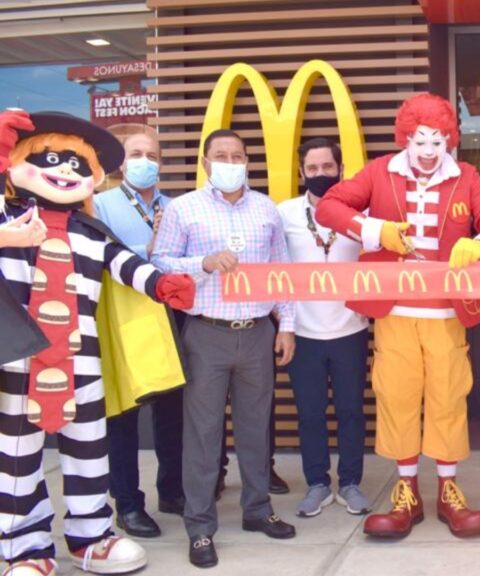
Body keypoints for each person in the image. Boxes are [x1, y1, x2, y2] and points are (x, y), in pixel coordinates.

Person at [0, 109, 196, 576]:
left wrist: (162, 284)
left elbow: (127, 264)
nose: (66, 169)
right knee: (16, 460)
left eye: (77, 163)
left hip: (82, 361)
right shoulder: (9, 218)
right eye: (50, 158)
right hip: (18, 365)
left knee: (90, 453)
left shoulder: (91, 230)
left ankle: (91, 535)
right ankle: (25, 548)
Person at [317, 93, 480, 539]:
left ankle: (447, 491)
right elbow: (330, 207)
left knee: (448, 395)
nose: (427, 151)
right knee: (397, 396)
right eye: (419, 140)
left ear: (450, 141)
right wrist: (373, 229)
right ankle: (406, 492)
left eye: (437, 142)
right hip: (394, 312)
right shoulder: (380, 171)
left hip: (446, 313)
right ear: (406, 137)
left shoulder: (467, 177)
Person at [151, 129, 297, 569]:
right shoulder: (183, 209)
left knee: (256, 429)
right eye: (221, 155)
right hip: (206, 333)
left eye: (238, 155)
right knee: (202, 434)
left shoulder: (266, 209)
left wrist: (286, 326)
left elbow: (283, 273)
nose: (231, 161)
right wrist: (203, 263)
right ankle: (199, 526)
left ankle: (257, 510)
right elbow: (159, 261)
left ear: (247, 160)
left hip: (256, 332)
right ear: (206, 161)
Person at [92, 124, 186, 539]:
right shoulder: (100, 204)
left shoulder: (176, 206)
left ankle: (172, 490)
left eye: (151, 155)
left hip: (173, 314)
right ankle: (128, 503)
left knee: (173, 411)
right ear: (120, 162)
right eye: (136, 154)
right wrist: (147, 255)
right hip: (125, 317)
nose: (144, 162)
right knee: (125, 416)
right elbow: (98, 256)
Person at [277, 138, 371, 518]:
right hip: (303, 333)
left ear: (340, 170)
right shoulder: (283, 214)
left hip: (350, 329)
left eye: (327, 168)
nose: (320, 175)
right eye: (312, 169)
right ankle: (317, 483)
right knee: (310, 413)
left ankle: (350, 483)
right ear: (302, 173)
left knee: (351, 410)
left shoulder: (361, 214)